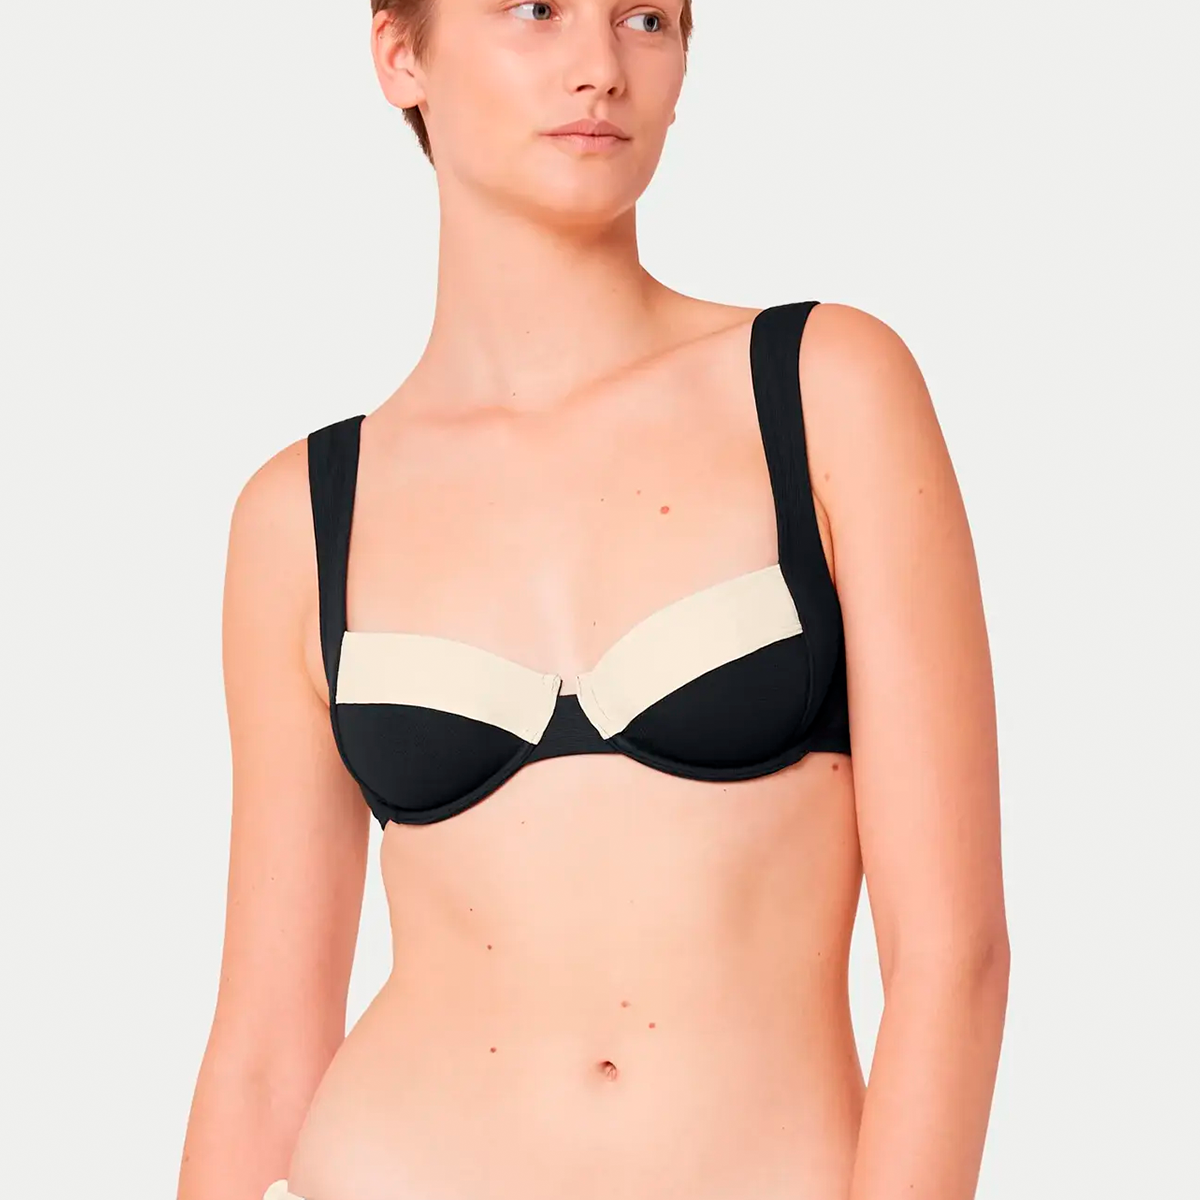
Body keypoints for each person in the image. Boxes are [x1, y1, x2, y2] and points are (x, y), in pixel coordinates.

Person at [178, 2, 1010, 1198]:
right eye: (536, 10)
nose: (601, 68)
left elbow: (953, 960)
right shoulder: (301, 516)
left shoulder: (824, 391)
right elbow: (264, 1053)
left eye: (646, 19)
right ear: (402, 55)